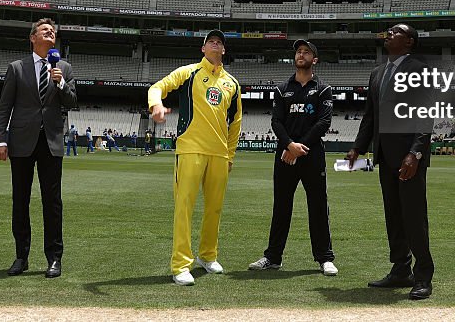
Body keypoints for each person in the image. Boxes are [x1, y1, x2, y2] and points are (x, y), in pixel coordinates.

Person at [347, 23, 434, 301]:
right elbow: (370, 116)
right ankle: (400, 270)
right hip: (385, 156)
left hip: (410, 158)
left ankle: (423, 277)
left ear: (409, 41)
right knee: (394, 216)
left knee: (414, 217)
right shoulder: (377, 73)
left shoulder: (420, 69)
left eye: (396, 31)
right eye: (389, 31)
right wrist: (358, 148)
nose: (389, 34)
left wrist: (416, 153)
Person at [148, 29, 242, 286]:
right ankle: (181, 264)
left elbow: (235, 122)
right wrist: (156, 104)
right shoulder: (188, 72)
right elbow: (158, 87)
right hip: (190, 149)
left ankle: (208, 256)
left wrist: (230, 155)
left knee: (214, 209)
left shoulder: (232, 84)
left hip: (219, 153)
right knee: (184, 208)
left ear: (224, 50)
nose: (215, 45)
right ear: (203, 49)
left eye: (219, 43)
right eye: (211, 42)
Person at [0, 18, 77, 279]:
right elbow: (5, 105)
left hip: (51, 142)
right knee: (21, 200)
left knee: (53, 203)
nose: (51, 32)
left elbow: (72, 102)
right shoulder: (16, 68)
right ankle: (21, 256)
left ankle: (54, 259)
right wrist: (0, 139)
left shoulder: (64, 67)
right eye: (45, 30)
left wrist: (61, 83)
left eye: (53, 31)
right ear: (33, 37)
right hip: (21, 141)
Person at [249, 40, 337, 276]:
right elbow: (276, 121)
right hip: (285, 154)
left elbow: (323, 122)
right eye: (298, 51)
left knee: (318, 206)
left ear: (314, 59)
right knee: (281, 206)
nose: (301, 54)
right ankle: (273, 257)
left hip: (312, 154)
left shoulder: (323, 89)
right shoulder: (281, 88)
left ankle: (325, 259)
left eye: (306, 52)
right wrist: (289, 145)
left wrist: (300, 147)